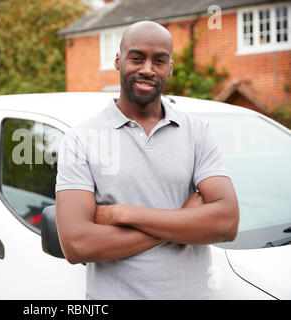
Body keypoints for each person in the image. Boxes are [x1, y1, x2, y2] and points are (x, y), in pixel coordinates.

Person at [55, 21, 239, 300]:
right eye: (137, 58)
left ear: (170, 68)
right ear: (118, 61)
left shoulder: (197, 132)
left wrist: (123, 214)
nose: (147, 69)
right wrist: (185, 220)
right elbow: (77, 245)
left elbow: (227, 224)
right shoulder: (80, 139)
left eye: (159, 60)